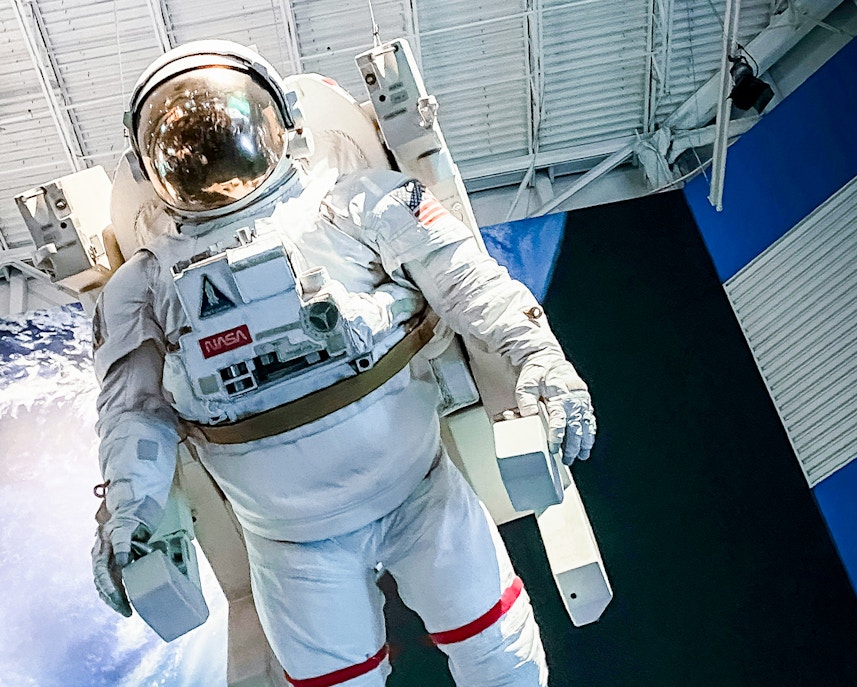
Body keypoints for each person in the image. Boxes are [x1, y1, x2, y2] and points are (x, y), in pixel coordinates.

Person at [89, 40, 596, 687]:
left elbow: (470, 283)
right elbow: (131, 411)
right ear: (151, 165)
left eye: (224, 123)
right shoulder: (141, 284)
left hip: (417, 489)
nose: (212, 154)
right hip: (289, 539)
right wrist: (127, 515)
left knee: (503, 662)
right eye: (185, 141)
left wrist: (540, 359)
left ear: (280, 120)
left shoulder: (357, 202)